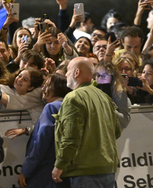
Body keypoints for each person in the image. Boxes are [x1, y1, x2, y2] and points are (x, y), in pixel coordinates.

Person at [52, 57, 121, 187]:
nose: (66, 74)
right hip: (107, 169)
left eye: (68, 70)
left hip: (84, 171)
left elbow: (71, 137)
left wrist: (59, 165)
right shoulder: (104, 97)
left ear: (76, 72)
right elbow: (116, 131)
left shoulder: (73, 98)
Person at [18, 74, 71, 188]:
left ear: (57, 89)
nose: (43, 89)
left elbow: (41, 141)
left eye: (47, 85)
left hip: (46, 173)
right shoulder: (70, 107)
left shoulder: (51, 108)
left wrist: (26, 169)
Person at [95, 61, 131, 130]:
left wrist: (109, 107)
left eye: (104, 76)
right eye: (98, 75)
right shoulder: (93, 90)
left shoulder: (119, 93)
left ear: (112, 77)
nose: (100, 79)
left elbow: (124, 121)